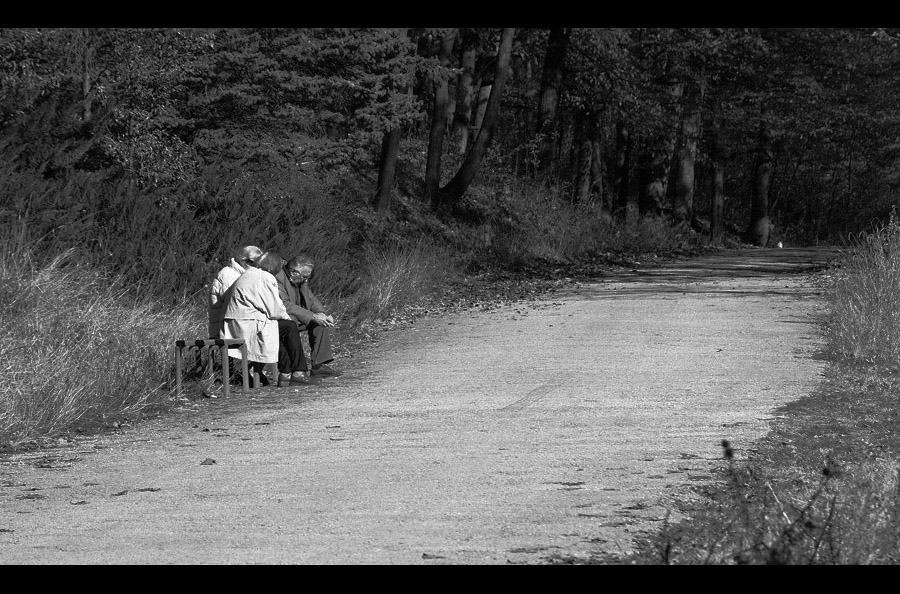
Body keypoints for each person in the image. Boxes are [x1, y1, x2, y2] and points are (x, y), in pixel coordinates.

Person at [223, 251, 308, 388]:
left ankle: (286, 373)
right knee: (289, 326)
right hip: (248, 325)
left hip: (235, 325)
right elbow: (275, 309)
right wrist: (288, 318)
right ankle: (298, 372)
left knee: (278, 330)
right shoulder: (265, 277)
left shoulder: (249, 274)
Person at [275, 255, 342, 377]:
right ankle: (295, 369)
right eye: (304, 277)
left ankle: (318, 365)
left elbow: (311, 298)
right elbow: (285, 305)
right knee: (292, 324)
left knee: (321, 324)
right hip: (285, 317)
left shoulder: (300, 279)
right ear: (293, 272)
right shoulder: (278, 278)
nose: (306, 280)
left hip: (300, 315)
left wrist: (322, 314)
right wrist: (312, 316)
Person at [208, 245, 263, 339]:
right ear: (243, 260)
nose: (257, 268)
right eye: (254, 263)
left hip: (235, 327)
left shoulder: (244, 275)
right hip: (224, 331)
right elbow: (236, 304)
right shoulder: (228, 275)